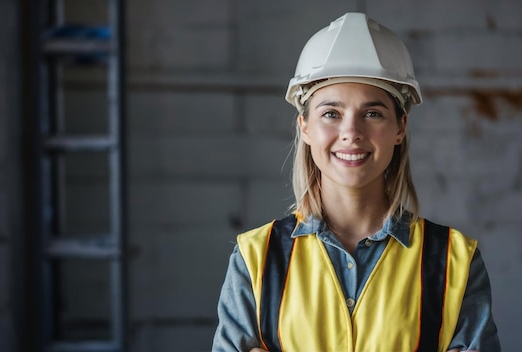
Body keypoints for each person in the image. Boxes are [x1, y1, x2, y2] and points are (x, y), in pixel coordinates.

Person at [212, 12, 500, 352]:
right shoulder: (255, 259)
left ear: (400, 127)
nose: (351, 133)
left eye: (373, 113)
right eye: (331, 113)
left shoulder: (455, 261)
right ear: (305, 126)